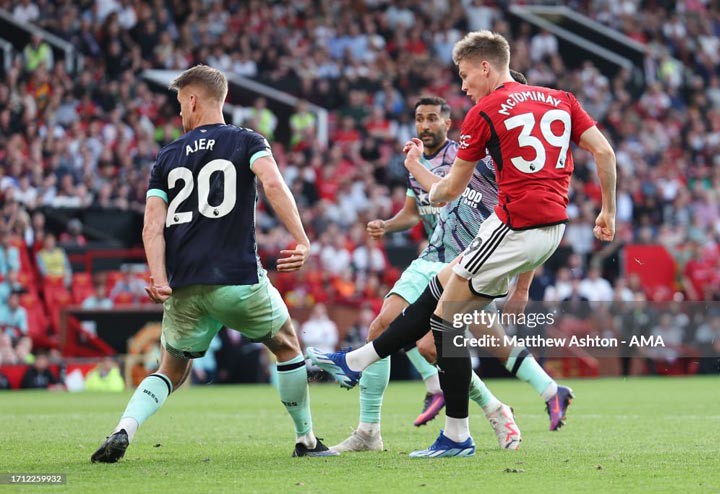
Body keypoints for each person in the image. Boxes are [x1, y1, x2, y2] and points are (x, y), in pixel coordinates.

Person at [309, 31, 616, 458]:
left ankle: (452, 429)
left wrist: (422, 179)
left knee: (442, 325)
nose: (463, 84)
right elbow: (604, 153)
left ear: (485, 66)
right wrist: (608, 212)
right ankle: (361, 366)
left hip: (514, 227)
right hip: (550, 228)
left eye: (465, 73)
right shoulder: (562, 98)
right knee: (441, 294)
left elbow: (449, 189)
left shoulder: (484, 112)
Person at [91, 65, 337, 463]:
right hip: (238, 279)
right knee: (288, 345)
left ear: (193, 99)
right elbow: (272, 184)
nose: (179, 113)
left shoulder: (167, 155)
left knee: (170, 369)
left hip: (185, 285)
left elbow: (151, 224)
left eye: (179, 103)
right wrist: (303, 239)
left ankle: (124, 429)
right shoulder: (246, 141)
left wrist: (158, 276)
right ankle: (306, 440)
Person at [330, 96, 522, 455]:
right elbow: (415, 209)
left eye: (431, 118)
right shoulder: (469, 147)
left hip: (473, 259)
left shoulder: (486, 153)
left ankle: (493, 409)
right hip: (433, 255)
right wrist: (389, 223)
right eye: (419, 118)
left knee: (432, 346)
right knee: (381, 326)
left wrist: (416, 164)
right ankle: (368, 431)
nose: (424, 124)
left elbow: (448, 191)